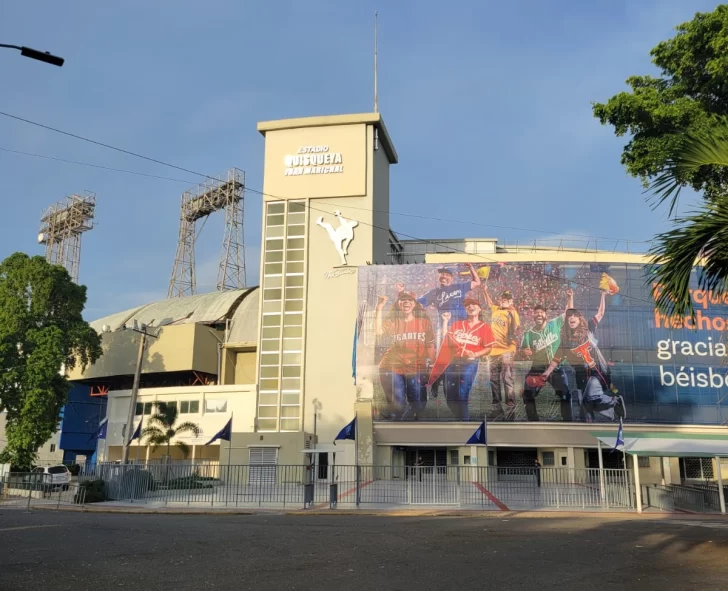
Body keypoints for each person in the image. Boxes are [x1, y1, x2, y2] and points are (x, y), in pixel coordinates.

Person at [540, 290, 626, 422]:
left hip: (596, 372)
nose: (572, 318)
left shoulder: (589, 329)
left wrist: (602, 295)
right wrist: (547, 372)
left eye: (575, 316)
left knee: (589, 397)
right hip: (580, 377)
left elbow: (601, 313)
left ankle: (615, 402)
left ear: (580, 319)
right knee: (585, 407)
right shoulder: (566, 343)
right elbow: (555, 360)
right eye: (570, 318)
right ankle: (588, 427)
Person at [395, 264, 481, 397]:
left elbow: (477, 282)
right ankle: (438, 381)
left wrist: (470, 266)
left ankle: (446, 384)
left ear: (452, 278)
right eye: (442, 274)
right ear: (439, 277)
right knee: (445, 356)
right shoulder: (434, 293)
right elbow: (417, 304)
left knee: (460, 358)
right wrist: (402, 293)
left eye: (447, 274)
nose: (444, 276)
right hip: (445, 328)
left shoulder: (459, 287)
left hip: (462, 329)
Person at [375, 290, 436, 420]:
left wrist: (432, 363)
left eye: (410, 300)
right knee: (398, 406)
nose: (406, 301)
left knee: (419, 405)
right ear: (398, 303)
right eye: (403, 299)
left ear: (414, 304)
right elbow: (378, 332)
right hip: (392, 366)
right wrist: (379, 309)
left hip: (416, 367)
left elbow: (430, 345)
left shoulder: (424, 322)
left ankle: (404, 423)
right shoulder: (393, 321)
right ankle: (397, 428)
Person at [430, 299, 495, 420]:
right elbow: (447, 338)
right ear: (465, 309)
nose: (470, 306)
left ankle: (465, 424)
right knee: (450, 396)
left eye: (474, 304)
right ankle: (459, 419)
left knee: (462, 395)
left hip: (468, 363)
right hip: (452, 362)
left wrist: (475, 354)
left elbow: (488, 348)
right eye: (467, 305)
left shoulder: (484, 327)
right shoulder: (458, 324)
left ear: (480, 309)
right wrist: (445, 321)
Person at [520, 288, 575, 422]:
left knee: (565, 395)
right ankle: (534, 423)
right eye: (536, 313)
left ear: (545, 315)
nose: (539, 314)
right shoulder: (529, 333)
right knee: (527, 394)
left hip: (556, 366)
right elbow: (523, 352)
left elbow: (568, 313)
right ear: (533, 316)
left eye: (541, 312)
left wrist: (570, 297)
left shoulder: (555, 324)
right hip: (537, 367)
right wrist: (524, 353)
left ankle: (568, 423)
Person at [482, 286, 520, 420]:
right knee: (493, 380)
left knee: (507, 379)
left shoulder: (512, 312)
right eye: (503, 298)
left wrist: (513, 348)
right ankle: (496, 408)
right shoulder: (496, 309)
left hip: (506, 350)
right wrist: (485, 290)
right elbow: (489, 303)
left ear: (511, 302)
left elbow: (515, 330)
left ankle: (511, 408)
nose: (504, 300)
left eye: (507, 299)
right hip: (493, 351)